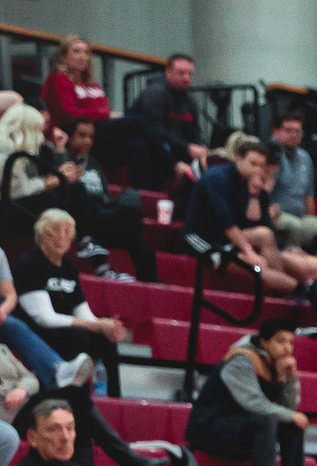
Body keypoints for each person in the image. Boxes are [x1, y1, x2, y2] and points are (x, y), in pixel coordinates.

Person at [185, 318, 307, 466]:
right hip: (210, 429)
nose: (287, 348)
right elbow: (254, 403)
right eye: (280, 341)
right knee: (267, 419)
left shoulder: (274, 363)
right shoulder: (241, 360)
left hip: (241, 430)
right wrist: (292, 415)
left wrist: (288, 378)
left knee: (292, 424)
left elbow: (287, 409)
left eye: (291, 342)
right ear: (264, 342)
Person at [14, 211, 130, 397]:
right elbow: (44, 318)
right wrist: (95, 325)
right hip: (33, 332)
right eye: (55, 230)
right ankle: (73, 397)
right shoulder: (29, 265)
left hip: (64, 328)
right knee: (77, 336)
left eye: (67, 232)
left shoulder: (69, 268)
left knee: (105, 340)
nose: (61, 237)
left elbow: (83, 312)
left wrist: (106, 326)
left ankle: (112, 398)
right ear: (42, 233)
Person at [188, 136, 317, 295]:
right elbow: (226, 222)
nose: (257, 170)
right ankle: (302, 290)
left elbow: (258, 223)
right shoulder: (217, 178)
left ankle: (284, 294)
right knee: (257, 267)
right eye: (253, 164)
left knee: (265, 235)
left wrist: (254, 195)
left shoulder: (248, 183)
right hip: (203, 239)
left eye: (260, 166)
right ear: (238, 159)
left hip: (227, 238)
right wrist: (249, 252)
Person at [51, 118, 158, 281]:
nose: (87, 141)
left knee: (131, 208)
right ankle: (94, 255)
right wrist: (61, 151)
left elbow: (106, 196)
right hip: (80, 218)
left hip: (102, 214)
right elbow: (61, 187)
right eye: (82, 135)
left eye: (91, 137)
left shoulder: (94, 163)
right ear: (70, 137)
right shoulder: (59, 159)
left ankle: (149, 279)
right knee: (77, 189)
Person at [13, 393, 171, 466]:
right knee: (77, 395)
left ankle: (130, 461)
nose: (66, 438)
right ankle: (129, 461)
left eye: (70, 428)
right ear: (32, 438)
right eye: (54, 429)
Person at [125, 52, 209, 188]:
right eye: (181, 73)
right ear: (168, 72)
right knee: (149, 147)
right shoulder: (154, 94)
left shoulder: (189, 100)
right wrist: (183, 152)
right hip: (154, 147)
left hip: (175, 147)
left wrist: (201, 147)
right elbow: (155, 132)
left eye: (190, 74)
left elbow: (195, 132)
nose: (187, 78)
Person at [268, 108, 317, 251]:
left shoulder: (305, 157)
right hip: (277, 215)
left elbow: (308, 196)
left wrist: (310, 219)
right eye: (288, 130)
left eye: (297, 131)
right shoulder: (270, 155)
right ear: (276, 131)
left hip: (301, 216)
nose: (293, 135)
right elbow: (263, 191)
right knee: (296, 227)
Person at [40, 36, 110, 133]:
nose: (82, 56)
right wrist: (98, 112)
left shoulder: (92, 84)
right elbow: (69, 113)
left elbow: (105, 108)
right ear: (64, 57)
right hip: (71, 131)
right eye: (76, 51)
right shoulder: (58, 79)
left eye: (86, 52)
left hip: (97, 128)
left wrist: (99, 112)